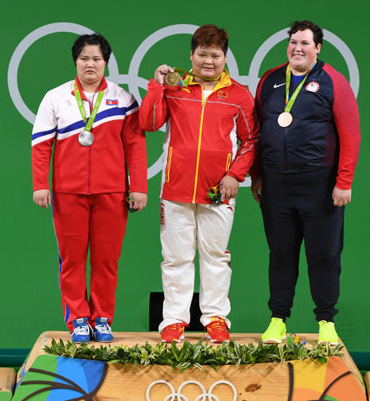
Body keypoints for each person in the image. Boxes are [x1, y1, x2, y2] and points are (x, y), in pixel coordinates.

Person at [139, 24, 259, 343]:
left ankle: (216, 317)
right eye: (202, 54)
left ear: (225, 57)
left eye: (215, 55)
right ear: (191, 55)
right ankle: (174, 319)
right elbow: (148, 123)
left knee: (215, 255)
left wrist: (235, 174)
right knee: (176, 257)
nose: (208, 61)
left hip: (218, 191)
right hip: (175, 189)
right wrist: (156, 85)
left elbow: (251, 140)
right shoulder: (175, 87)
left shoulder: (239, 95)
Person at [32, 33, 147, 343]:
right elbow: (41, 145)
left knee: (106, 260)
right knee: (71, 260)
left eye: (96, 58)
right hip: (67, 192)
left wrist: (138, 187)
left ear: (106, 62)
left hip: (111, 192)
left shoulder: (123, 98)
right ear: (75, 61)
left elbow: (135, 144)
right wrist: (40, 185)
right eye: (84, 58)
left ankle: (103, 319)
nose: (90, 64)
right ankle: (78, 319)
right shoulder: (56, 97)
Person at [251, 20, 360, 345]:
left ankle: (326, 321)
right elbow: (258, 133)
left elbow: (350, 135)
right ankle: (278, 319)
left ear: (318, 48)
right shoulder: (269, 81)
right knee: (280, 253)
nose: (298, 48)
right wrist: (257, 174)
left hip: (321, 188)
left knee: (324, 254)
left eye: (305, 43)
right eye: (294, 42)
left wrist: (344, 181)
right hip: (277, 188)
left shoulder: (333, 82)